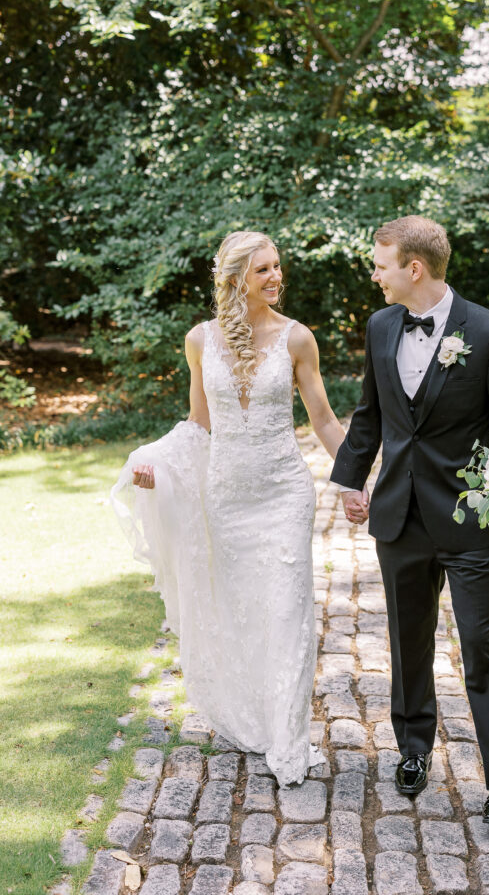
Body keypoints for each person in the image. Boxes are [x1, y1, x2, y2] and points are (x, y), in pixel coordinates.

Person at [111, 230, 352, 787]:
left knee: (287, 613)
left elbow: (323, 419)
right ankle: (255, 720)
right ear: (235, 278)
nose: (276, 277)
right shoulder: (199, 341)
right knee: (241, 612)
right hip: (226, 497)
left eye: (277, 267)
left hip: (284, 493)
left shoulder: (297, 340)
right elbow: (199, 425)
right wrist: (155, 464)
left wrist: (356, 480)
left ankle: (289, 743)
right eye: (263, 270)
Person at [331, 215, 489, 824]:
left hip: (474, 524)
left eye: (381, 264)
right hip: (402, 517)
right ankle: (414, 747)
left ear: (413, 268)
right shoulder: (380, 326)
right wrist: (349, 478)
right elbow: (370, 412)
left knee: (482, 644)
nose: (375, 275)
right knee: (407, 639)